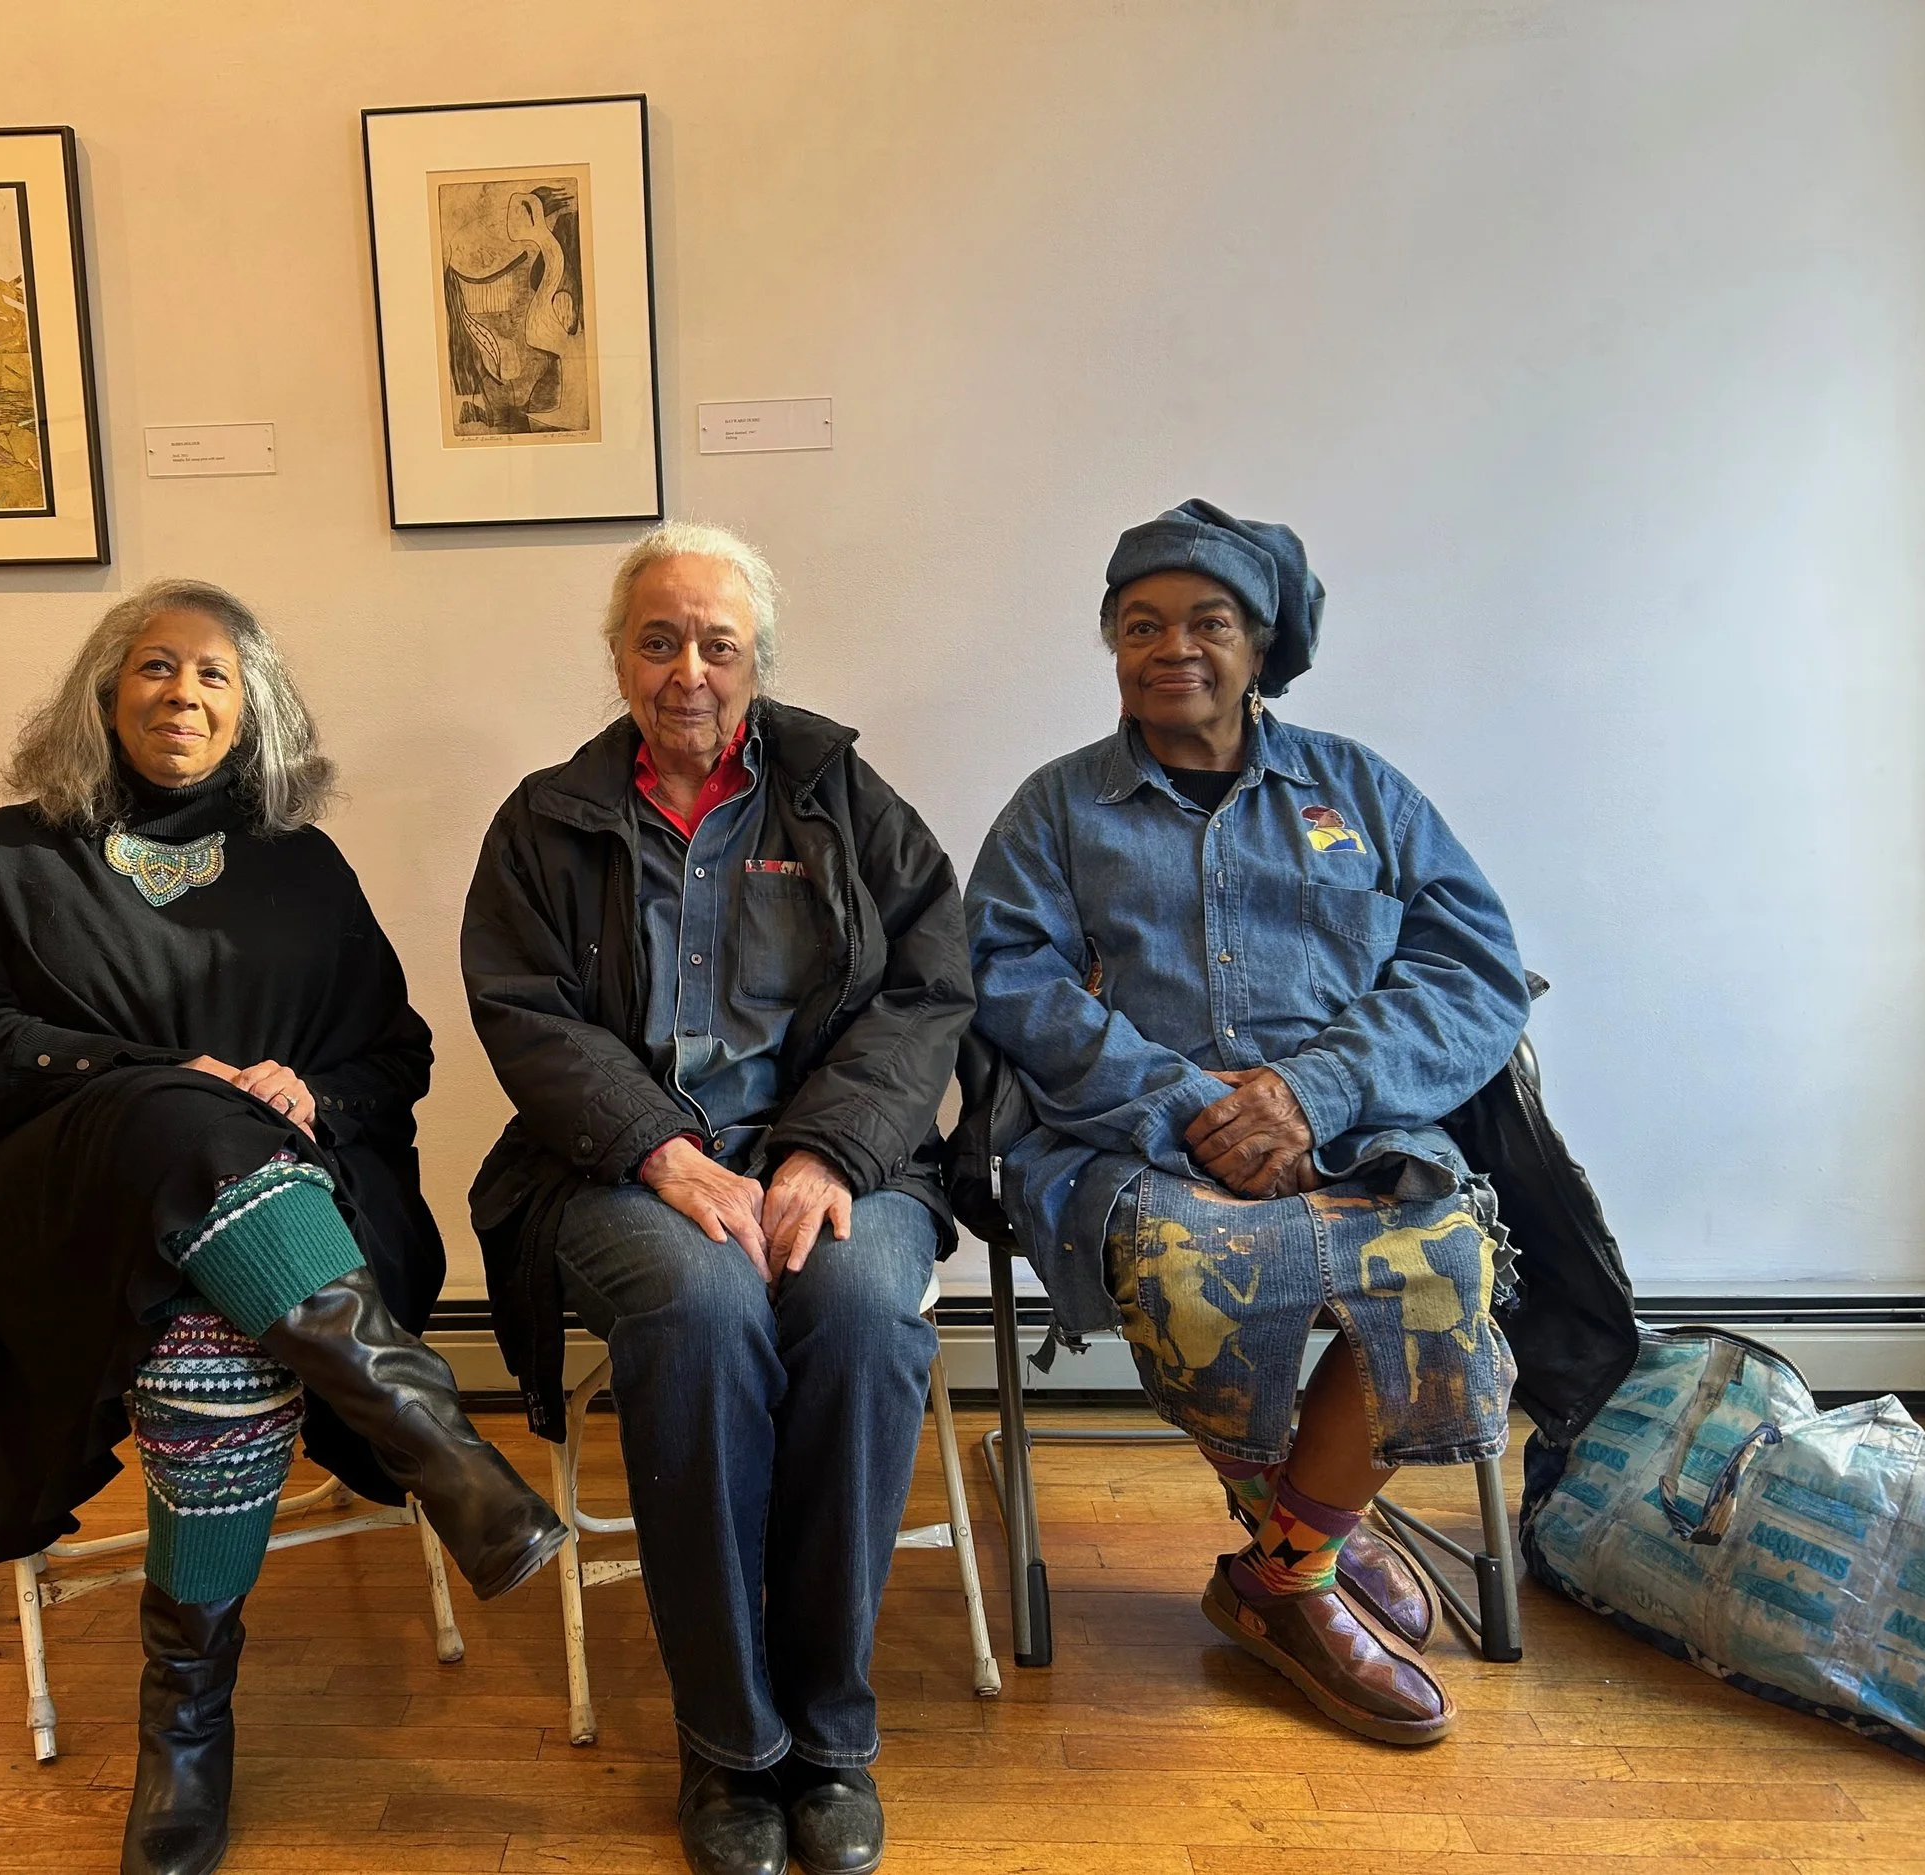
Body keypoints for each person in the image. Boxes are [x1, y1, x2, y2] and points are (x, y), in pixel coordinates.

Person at [0, 578, 564, 1875]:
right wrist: (155, 1079)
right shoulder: (13, 853)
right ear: (104, 693)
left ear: (253, 710)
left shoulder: (302, 868)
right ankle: (436, 1441)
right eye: (156, 666)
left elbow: (394, 1054)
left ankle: (187, 1721)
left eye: (215, 674)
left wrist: (311, 1092)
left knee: (212, 1334)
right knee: (179, 1114)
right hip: (71, 1208)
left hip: (293, 1207)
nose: (184, 693)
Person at [965, 501, 1531, 1746]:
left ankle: (1279, 1572)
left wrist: (1309, 1095)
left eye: (1207, 622)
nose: (1172, 647)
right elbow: (1007, 981)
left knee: (1442, 1273)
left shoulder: (1360, 791)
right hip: (1136, 1145)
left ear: (1260, 645)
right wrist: (1192, 1109)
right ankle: (1309, 1538)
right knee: (1197, 1275)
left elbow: (1474, 971)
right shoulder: (1056, 810)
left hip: (1352, 1136)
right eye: (1140, 625)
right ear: (1111, 647)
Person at [461, 523, 973, 1875]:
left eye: (717, 643)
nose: (688, 669)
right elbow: (525, 1014)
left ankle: (829, 1734)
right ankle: (730, 1743)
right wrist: (658, 1148)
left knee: (857, 1314)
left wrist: (827, 1151)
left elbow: (929, 990)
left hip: (842, 1155)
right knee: (699, 1308)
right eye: (658, 640)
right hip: (620, 1165)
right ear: (618, 658)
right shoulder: (546, 818)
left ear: (758, 661)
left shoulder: (844, 799)